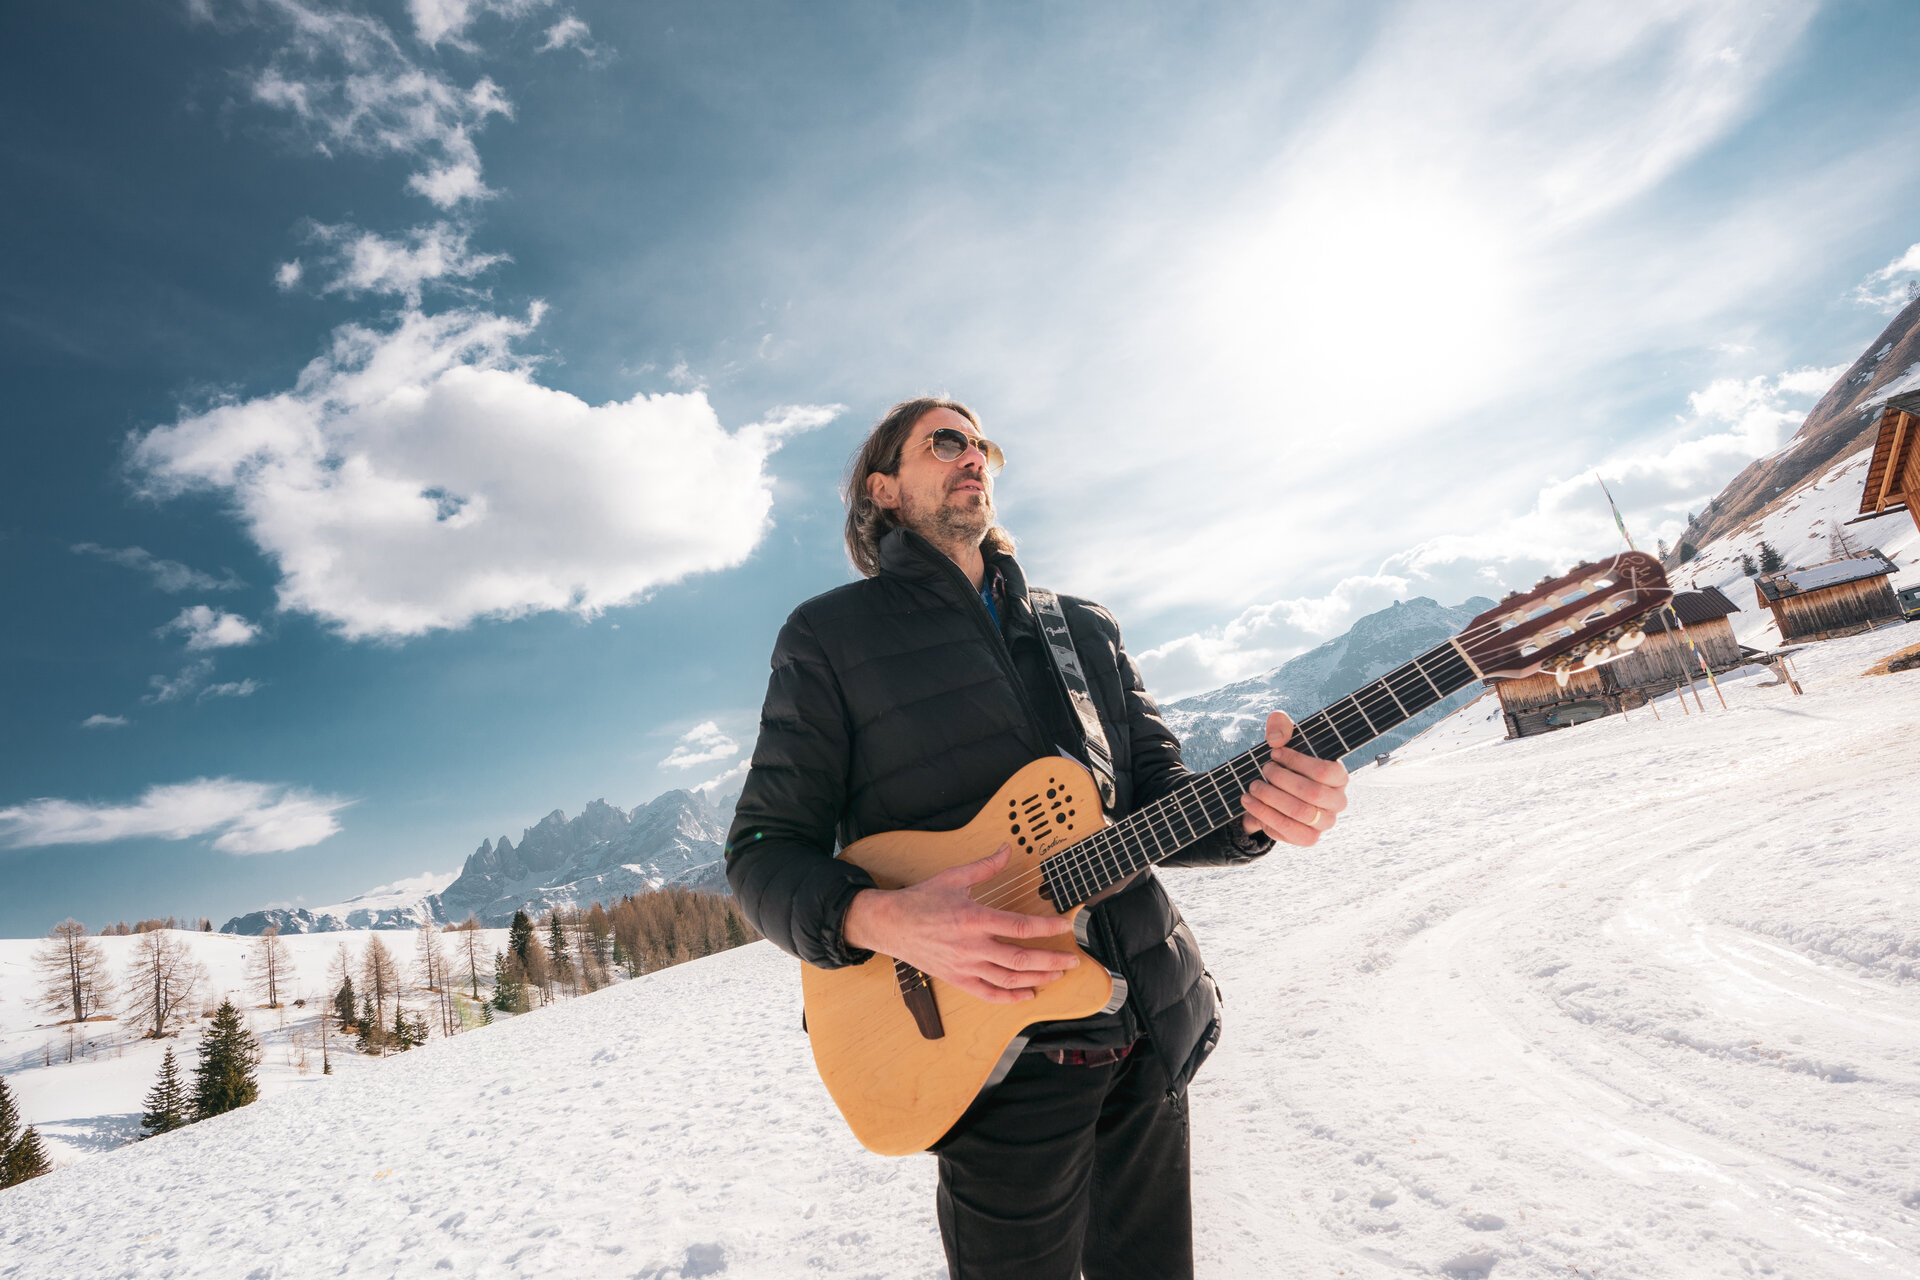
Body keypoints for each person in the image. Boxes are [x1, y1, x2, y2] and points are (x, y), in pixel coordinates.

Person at [726, 397, 1350, 1279]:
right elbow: (761, 854)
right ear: (884, 489)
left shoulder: (1081, 627)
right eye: (945, 442)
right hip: (993, 1063)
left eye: (982, 443)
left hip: (1143, 1024)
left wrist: (1258, 811)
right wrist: (883, 920)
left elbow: (1157, 802)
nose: (972, 455)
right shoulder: (829, 636)